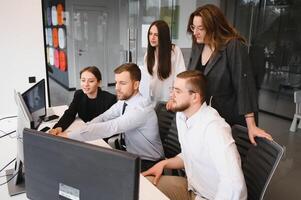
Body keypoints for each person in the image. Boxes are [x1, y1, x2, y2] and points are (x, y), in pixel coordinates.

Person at [143, 70, 247, 200]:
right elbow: (190, 155)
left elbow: (234, 184)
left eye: (178, 91)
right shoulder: (182, 116)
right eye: (173, 89)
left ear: (195, 97)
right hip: (193, 189)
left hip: (211, 197)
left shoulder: (214, 128)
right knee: (143, 184)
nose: (172, 95)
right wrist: (163, 164)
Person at [185, 4, 272, 144]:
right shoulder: (198, 45)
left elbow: (244, 85)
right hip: (204, 117)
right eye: (193, 27)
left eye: (200, 28)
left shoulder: (232, 46)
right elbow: (191, 78)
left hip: (226, 119)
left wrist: (251, 125)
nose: (195, 32)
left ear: (214, 27)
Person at [53, 63, 164, 171]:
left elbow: (110, 127)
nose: (117, 87)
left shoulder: (140, 110)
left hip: (148, 163)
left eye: (122, 83)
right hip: (131, 155)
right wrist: (85, 127)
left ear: (135, 85)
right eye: (116, 82)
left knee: (95, 170)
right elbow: (104, 117)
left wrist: (67, 136)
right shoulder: (125, 101)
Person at [49, 66, 116, 136]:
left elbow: (111, 127)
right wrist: (58, 128)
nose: (86, 84)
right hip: (83, 131)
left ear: (99, 83)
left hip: (100, 136)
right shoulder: (79, 94)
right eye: (83, 80)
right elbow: (70, 114)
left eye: (91, 81)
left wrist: (77, 134)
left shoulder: (110, 99)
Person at [141, 20, 185, 104]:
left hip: (169, 100)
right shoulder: (148, 54)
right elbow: (147, 79)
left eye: (156, 35)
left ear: (163, 36)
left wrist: (174, 97)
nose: (152, 37)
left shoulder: (174, 51)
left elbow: (180, 76)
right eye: (150, 34)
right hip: (152, 99)